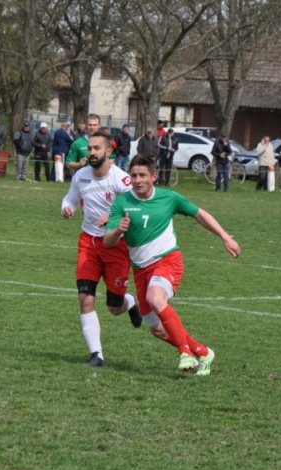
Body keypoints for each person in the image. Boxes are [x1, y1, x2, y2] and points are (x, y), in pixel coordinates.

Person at [104, 154, 241, 374]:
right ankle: (203, 352)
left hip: (167, 260)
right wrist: (118, 230)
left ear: (154, 177)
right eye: (133, 176)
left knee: (155, 298)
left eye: (142, 175)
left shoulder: (169, 198)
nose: (137, 180)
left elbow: (200, 214)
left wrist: (225, 237)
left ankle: (185, 353)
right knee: (157, 329)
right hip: (140, 270)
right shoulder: (122, 202)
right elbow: (107, 241)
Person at [60, 130, 142, 367]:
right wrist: (67, 209)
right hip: (88, 243)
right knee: (85, 297)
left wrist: (113, 217)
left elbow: (134, 209)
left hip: (116, 244)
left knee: (114, 308)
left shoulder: (121, 179)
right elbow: (70, 199)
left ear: (109, 151)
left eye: (97, 148)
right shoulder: (81, 176)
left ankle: (130, 302)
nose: (92, 152)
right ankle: (97, 354)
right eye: (90, 148)